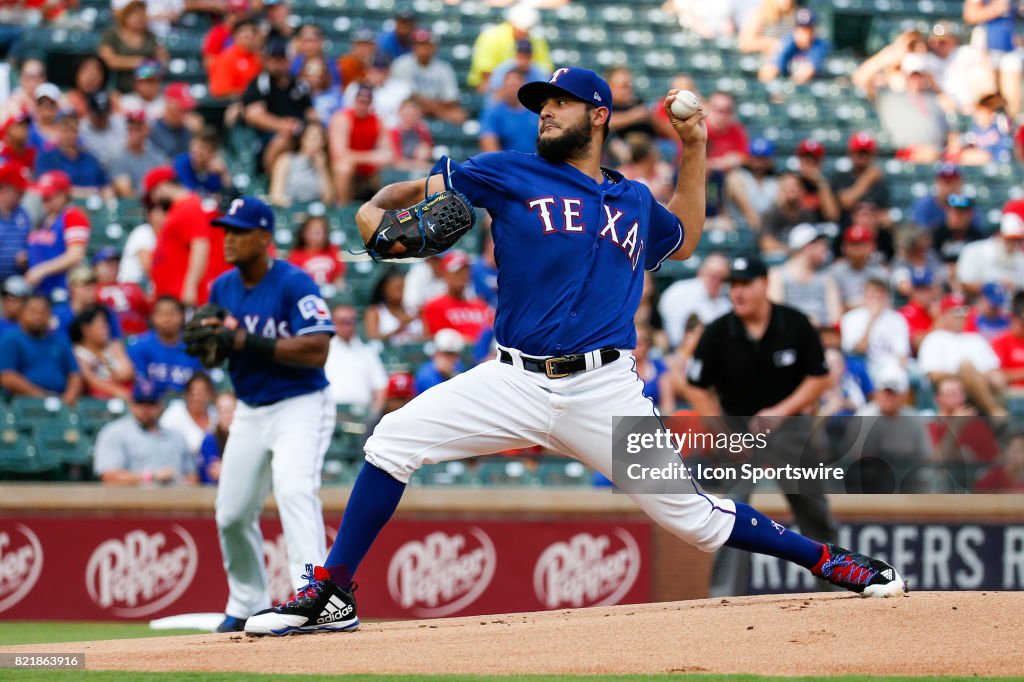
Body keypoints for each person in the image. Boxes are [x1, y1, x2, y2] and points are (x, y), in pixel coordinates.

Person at [242, 67, 905, 638]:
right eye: (538, 105)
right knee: (392, 439)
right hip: (512, 381)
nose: (544, 112)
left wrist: (694, 144)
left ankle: (830, 561)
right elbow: (389, 201)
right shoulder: (507, 171)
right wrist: (375, 226)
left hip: (604, 392)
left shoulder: (634, 200)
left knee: (696, 519)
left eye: (556, 103)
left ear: (598, 115)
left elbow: (689, 236)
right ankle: (332, 592)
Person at [196, 196, 337, 634]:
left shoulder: (294, 283)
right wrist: (209, 346)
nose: (229, 239)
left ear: (264, 237)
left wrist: (245, 343)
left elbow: (318, 349)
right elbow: (220, 351)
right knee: (232, 512)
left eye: (239, 231)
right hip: (250, 408)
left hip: (300, 403)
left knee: (294, 490)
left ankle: (313, 597)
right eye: (226, 231)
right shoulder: (222, 288)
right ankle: (246, 601)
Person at [685, 255, 838, 596]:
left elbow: (820, 378)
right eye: (733, 285)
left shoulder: (795, 323)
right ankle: (721, 598)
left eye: (745, 284)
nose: (737, 292)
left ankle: (833, 587)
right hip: (737, 431)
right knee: (726, 514)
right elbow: (695, 387)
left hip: (789, 429)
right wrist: (725, 437)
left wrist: (781, 411)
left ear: (764, 284)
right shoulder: (718, 331)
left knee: (814, 511)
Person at [93, 379, 197, 485]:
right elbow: (109, 477)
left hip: (176, 498)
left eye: (151, 403)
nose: (145, 408)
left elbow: (192, 477)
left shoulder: (176, 437)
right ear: (131, 403)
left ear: (161, 405)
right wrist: (151, 476)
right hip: (132, 499)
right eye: (140, 402)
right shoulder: (114, 432)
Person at [918, 294, 1007, 417]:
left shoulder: (976, 338)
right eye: (955, 312)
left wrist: (989, 376)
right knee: (966, 366)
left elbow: (994, 368)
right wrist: (964, 374)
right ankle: (993, 411)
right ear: (944, 315)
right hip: (951, 385)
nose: (960, 317)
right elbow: (933, 375)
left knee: (998, 378)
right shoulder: (934, 338)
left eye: (963, 312)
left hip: (984, 383)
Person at [146, 166, 223, 306]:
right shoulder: (179, 208)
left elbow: (200, 247)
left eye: (153, 193)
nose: (154, 199)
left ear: (162, 186)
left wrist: (190, 286)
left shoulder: (189, 206)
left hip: (182, 299)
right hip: (172, 299)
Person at [241, 37, 317, 174]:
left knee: (316, 142)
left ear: (289, 61)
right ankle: (273, 186)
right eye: (272, 58)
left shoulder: (300, 85)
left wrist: (309, 129)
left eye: (281, 59)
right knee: (281, 141)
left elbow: (311, 113)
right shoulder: (260, 83)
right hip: (267, 135)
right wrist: (283, 125)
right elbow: (253, 115)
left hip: (299, 132)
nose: (276, 63)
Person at [0, 293, 83, 403]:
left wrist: (69, 397)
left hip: (60, 403)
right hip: (22, 404)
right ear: (21, 314)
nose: (38, 316)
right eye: (33, 311)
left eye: (43, 312)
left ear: (50, 315)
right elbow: (7, 377)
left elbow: (75, 374)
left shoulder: (60, 341)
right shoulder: (11, 339)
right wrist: (42, 397)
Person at [24, 171, 90, 298]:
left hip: (62, 290)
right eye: (43, 197)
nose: (44, 200)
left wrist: (41, 270)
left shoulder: (73, 216)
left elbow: (75, 255)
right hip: (40, 290)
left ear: (63, 195)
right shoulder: (45, 219)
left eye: (48, 196)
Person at [767, 223, 842, 328]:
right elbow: (775, 316)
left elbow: (836, 319)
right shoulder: (777, 275)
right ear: (808, 247)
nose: (825, 249)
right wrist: (805, 322)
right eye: (821, 244)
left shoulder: (826, 278)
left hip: (822, 336)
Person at [328, 86, 392, 204]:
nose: (362, 105)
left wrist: (358, 158)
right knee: (343, 168)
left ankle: (383, 211)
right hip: (349, 168)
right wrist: (373, 157)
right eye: (360, 101)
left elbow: (388, 154)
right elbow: (339, 154)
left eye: (366, 102)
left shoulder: (377, 121)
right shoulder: (342, 118)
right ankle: (343, 208)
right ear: (354, 101)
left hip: (369, 171)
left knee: (391, 172)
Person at [467, 2, 553, 90]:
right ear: (511, 23)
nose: (525, 32)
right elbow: (486, 74)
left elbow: (546, 72)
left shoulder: (536, 39)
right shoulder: (491, 37)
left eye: (529, 28)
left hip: (527, 85)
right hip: (496, 87)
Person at [839, 278, 910, 384]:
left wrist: (898, 371)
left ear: (886, 297)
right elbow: (858, 350)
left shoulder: (897, 319)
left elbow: (902, 354)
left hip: (892, 366)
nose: (876, 301)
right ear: (864, 296)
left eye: (879, 297)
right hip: (865, 366)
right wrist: (872, 320)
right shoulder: (850, 318)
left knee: (914, 376)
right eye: (872, 296)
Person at [128, 295, 203, 394]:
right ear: (152, 317)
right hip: (150, 405)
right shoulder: (139, 346)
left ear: (183, 316)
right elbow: (137, 384)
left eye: (172, 313)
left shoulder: (195, 348)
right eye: (161, 314)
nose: (167, 319)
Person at [389, 29, 466, 126]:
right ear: (413, 46)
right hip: (407, 112)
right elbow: (410, 96)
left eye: (426, 44)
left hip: (433, 112)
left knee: (459, 115)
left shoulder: (444, 68)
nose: (422, 48)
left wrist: (433, 109)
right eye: (419, 44)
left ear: (434, 47)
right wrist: (443, 112)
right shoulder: (401, 64)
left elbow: (451, 99)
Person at [34, 111, 114, 201]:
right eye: (65, 129)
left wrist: (106, 194)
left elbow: (105, 186)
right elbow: (49, 189)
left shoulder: (91, 159)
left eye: (73, 130)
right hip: (62, 209)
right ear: (57, 130)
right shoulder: (47, 158)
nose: (69, 135)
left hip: (94, 209)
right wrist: (91, 192)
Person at [657, 252, 731, 348]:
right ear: (701, 271)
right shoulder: (679, 291)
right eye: (712, 275)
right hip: (680, 350)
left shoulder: (726, 302)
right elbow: (674, 336)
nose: (716, 281)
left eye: (721, 277)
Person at [324, 304, 388, 413]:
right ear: (333, 322)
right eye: (342, 322)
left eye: (351, 322)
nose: (347, 326)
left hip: (362, 413)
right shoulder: (324, 350)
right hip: (331, 412)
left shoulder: (367, 352)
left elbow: (381, 386)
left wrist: (374, 413)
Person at [420, 249, 493, 343]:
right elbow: (437, 341)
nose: (462, 276)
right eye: (457, 272)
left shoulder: (481, 305)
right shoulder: (434, 306)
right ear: (444, 273)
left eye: (465, 271)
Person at [98, 0, 169, 93]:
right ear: (126, 15)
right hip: (117, 89)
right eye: (136, 14)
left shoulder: (151, 36)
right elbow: (109, 61)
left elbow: (161, 64)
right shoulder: (111, 34)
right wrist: (141, 62)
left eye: (143, 14)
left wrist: (144, 66)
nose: (140, 18)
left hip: (145, 90)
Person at [957, 199, 1024, 296]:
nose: (1013, 244)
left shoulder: (1020, 259)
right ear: (999, 235)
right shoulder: (975, 251)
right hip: (976, 307)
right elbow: (962, 285)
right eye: (1010, 239)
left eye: (1018, 240)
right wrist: (996, 286)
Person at [69, 304, 135, 400]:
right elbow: (90, 380)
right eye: (101, 326)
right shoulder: (78, 353)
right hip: (97, 400)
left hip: (126, 392)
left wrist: (114, 374)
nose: (106, 329)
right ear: (86, 330)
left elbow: (129, 372)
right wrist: (116, 391)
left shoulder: (115, 346)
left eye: (106, 324)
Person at [830, 132, 890, 228]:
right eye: (858, 152)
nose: (862, 156)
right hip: (846, 233)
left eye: (865, 152)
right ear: (850, 153)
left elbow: (885, 215)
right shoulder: (840, 177)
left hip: (870, 234)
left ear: (873, 155)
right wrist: (868, 178)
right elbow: (846, 202)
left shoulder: (880, 183)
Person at [268, 121, 334, 207]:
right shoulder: (285, 159)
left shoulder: (325, 164)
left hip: (315, 213)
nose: (318, 142)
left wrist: (321, 168)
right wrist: (296, 208)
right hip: (290, 210)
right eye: (313, 138)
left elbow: (328, 200)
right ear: (303, 139)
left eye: (321, 139)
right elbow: (276, 195)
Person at [758, 8, 829, 85]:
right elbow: (770, 70)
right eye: (801, 29)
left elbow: (807, 73)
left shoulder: (819, 45)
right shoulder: (788, 42)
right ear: (795, 29)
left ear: (813, 30)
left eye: (808, 29)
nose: (805, 34)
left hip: (812, 89)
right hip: (788, 87)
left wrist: (788, 87)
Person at [110, 110, 168, 198]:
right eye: (131, 128)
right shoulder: (117, 156)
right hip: (128, 207)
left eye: (138, 128)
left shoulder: (157, 157)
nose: (134, 132)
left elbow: (164, 187)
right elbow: (125, 191)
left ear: (148, 130)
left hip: (154, 205)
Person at [830, 225, 889, 311]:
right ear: (844, 247)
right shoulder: (835, 273)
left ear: (871, 246)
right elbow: (834, 308)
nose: (857, 248)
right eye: (853, 244)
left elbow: (885, 305)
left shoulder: (880, 273)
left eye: (862, 244)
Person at [94, 247, 151, 336]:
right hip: (109, 340)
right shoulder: (92, 290)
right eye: (107, 263)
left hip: (140, 337)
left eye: (115, 263)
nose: (112, 266)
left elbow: (148, 310)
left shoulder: (132, 286)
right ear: (96, 268)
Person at [479, 70, 539, 154]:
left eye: (514, 85)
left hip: (536, 163)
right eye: (509, 85)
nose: (511, 89)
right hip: (505, 164)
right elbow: (489, 146)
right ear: (503, 87)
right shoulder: (493, 112)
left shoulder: (536, 112)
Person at [910, 163, 980, 232]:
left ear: (960, 182)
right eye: (946, 181)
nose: (949, 186)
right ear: (937, 182)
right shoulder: (924, 205)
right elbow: (919, 234)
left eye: (954, 181)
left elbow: (977, 231)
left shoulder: (966, 204)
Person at [159, 371, 216, 455]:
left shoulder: (215, 414)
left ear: (210, 394)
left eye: (202, 392)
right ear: (186, 394)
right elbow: (159, 439)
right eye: (193, 392)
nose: (197, 397)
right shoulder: (175, 412)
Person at [363, 267, 423, 345]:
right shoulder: (374, 311)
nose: (400, 292)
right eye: (396, 288)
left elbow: (426, 338)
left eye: (402, 287)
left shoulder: (414, 310)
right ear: (384, 288)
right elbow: (372, 340)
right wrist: (398, 329)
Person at [207, 19, 262, 98]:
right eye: (245, 34)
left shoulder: (259, 57)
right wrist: (249, 94)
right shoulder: (226, 58)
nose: (249, 36)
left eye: (253, 33)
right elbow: (220, 90)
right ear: (235, 36)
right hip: (235, 103)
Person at [173, 126, 232, 198]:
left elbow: (226, 196)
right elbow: (188, 194)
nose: (196, 151)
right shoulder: (182, 163)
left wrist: (224, 174)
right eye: (194, 145)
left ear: (212, 153)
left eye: (202, 147)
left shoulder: (217, 171)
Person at [286, 214, 345, 287]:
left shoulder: (332, 250)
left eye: (318, 232)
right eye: (310, 231)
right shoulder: (295, 255)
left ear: (325, 234)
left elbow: (338, 276)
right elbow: (294, 280)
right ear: (303, 233)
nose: (313, 236)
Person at [932, 192, 984, 268]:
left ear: (970, 214)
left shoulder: (977, 237)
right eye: (952, 212)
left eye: (961, 213)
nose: (956, 217)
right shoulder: (935, 235)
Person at [0, 161, 31, 282]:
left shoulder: (22, 214)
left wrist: (27, 254)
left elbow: (28, 243)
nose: (21, 196)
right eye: (18, 192)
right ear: (4, 189)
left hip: (15, 284)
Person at [79, 91, 127, 169]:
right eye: (98, 116)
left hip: (119, 167)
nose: (101, 119)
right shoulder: (80, 129)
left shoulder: (121, 123)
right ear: (89, 112)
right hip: (94, 170)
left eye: (104, 115)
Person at [149, 83, 197, 159]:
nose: (186, 114)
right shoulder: (153, 130)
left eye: (188, 109)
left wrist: (198, 135)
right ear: (168, 105)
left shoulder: (189, 130)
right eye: (182, 109)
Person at [197, 391, 236, 484]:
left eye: (231, 411)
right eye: (222, 411)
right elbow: (212, 476)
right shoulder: (210, 439)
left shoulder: (247, 440)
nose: (227, 416)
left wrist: (227, 469)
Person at [414, 328, 465, 394]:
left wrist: (451, 374)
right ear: (436, 352)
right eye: (446, 353)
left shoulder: (459, 366)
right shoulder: (426, 375)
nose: (450, 358)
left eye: (453, 354)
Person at [991, 291, 1024, 395]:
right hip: (1012, 393)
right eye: (1023, 324)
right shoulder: (1000, 342)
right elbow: (998, 375)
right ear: (1013, 319)